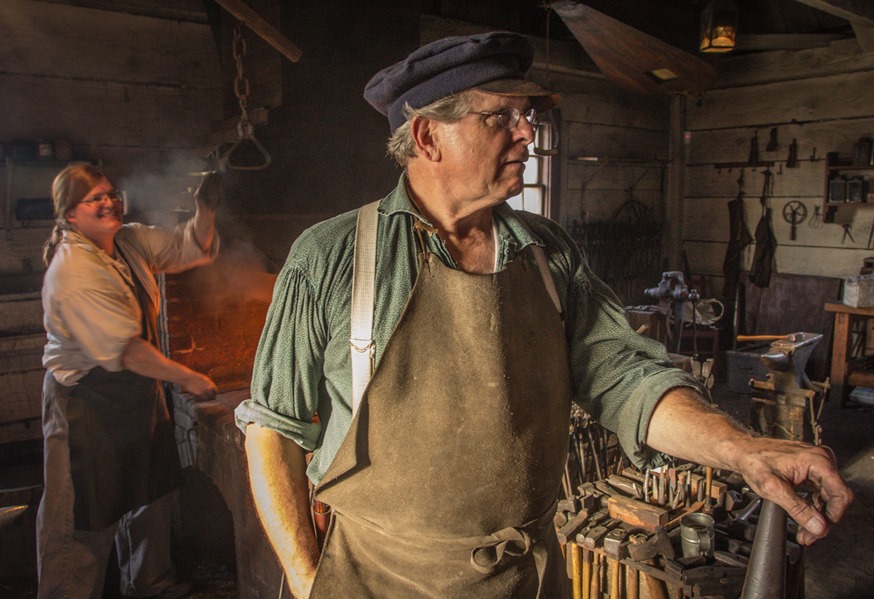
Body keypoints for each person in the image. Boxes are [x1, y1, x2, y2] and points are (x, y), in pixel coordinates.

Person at [235, 32, 853, 598]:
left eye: (527, 116)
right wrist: (308, 576)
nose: (528, 132)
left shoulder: (549, 251)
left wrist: (743, 449)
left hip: (526, 579)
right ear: (427, 136)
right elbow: (273, 430)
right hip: (374, 581)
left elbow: (627, 379)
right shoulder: (332, 257)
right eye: (500, 116)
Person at [37, 162, 221, 599]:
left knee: (149, 493)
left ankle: (150, 584)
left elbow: (185, 247)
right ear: (70, 215)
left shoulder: (128, 240)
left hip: (136, 393)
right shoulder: (73, 271)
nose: (108, 202)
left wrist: (206, 208)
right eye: (94, 198)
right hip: (85, 403)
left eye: (110, 193)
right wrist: (187, 376)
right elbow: (126, 349)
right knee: (84, 517)